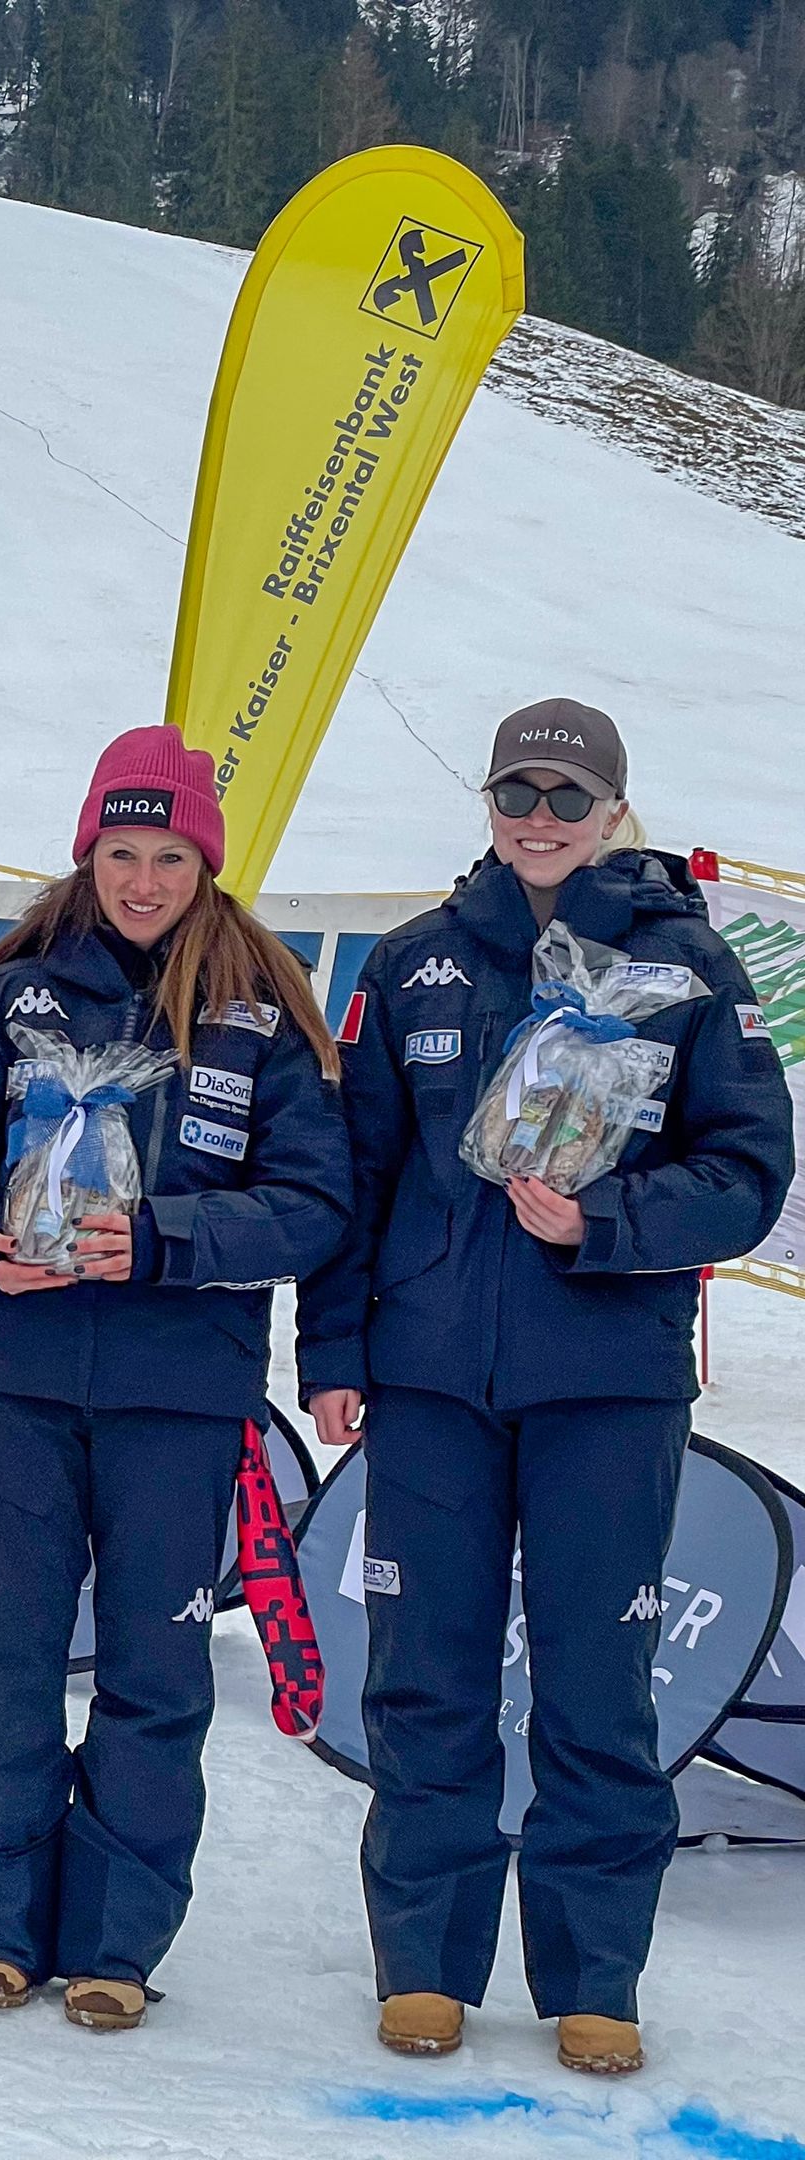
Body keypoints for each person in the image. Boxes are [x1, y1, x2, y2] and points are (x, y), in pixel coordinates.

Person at [298, 700, 793, 2075]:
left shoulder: (688, 968)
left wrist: (607, 1225)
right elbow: (358, 1174)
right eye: (518, 790)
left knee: (596, 1682)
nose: (540, 818)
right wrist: (335, 1355)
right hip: (433, 1381)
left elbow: (749, 1175)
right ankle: (428, 1968)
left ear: (613, 810)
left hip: (606, 1387)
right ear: (491, 799)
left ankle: (594, 1980)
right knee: (426, 1679)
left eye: (568, 798)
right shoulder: (416, 964)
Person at [0, 725, 349, 2031]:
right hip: (17, 1386)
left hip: (178, 1400)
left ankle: (117, 1942)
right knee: (5, 1662)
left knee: (156, 1678)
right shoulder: (15, 994)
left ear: (206, 863)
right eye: (118, 851)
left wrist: (162, 1244)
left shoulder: (259, 1013)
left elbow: (316, 1206)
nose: (142, 879)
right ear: (85, 852)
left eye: (168, 855)